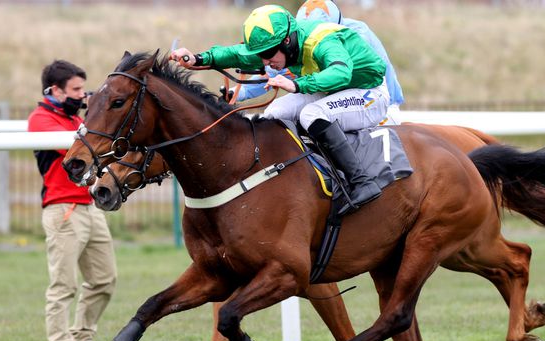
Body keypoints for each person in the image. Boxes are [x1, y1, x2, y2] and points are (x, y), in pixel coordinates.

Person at [170, 4, 389, 214]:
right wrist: (197, 59)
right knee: (275, 112)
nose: (265, 62)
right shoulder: (283, 45)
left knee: (311, 114)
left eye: (269, 54)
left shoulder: (322, 40)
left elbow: (341, 72)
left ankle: (362, 182)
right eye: (262, 55)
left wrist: (296, 85)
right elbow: (237, 54)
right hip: (334, 91)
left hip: (368, 93)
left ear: (287, 40)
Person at [28, 60, 117, 341]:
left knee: (104, 279)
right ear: (55, 90)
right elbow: (81, 151)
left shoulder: (78, 121)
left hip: (89, 207)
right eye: (76, 90)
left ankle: (82, 340)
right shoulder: (40, 118)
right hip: (62, 209)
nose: (82, 94)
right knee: (64, 285)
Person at [234, 0, 405, 125]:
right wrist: (235, 94)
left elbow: (380, 75)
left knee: (314, 115)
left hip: (377, 101)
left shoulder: (358, 36)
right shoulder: (300, 41)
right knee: (280, 112)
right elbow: (273, 75)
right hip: (332, 94)